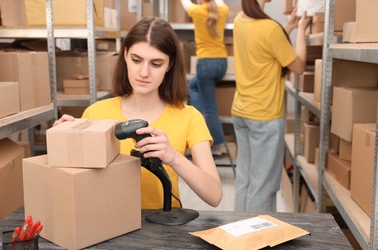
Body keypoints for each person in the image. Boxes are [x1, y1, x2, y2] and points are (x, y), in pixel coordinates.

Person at [54, 16, 223, 210]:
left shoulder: (189, 117)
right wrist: (62, 143)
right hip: (105, 225)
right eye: (136, 60)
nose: (143, 72)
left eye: (156, 64)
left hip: (163, 229)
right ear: (125, 55)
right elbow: (73, 185)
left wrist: (174, 157)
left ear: (170, 64)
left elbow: (215, 195)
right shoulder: (96, 113)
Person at [232, 0, 311, 212]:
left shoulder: (240, 20)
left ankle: (239, 234)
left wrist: (289, 26)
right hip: (264, 117)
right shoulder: (269, 28)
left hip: (241, 112)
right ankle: (257, 238)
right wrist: (301, 31)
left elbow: (264, 46)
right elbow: (299, 66)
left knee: (245, 180)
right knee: (263, 186)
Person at [179, 0, 229, 157]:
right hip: (222, 63)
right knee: (193, 85)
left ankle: (216, 145)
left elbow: (185, 3)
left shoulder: (197, 11)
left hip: (206, 64)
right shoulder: (223, 9)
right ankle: (198, 119)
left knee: (210, 108)